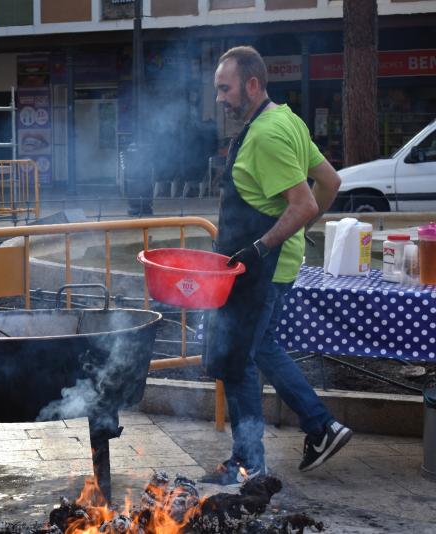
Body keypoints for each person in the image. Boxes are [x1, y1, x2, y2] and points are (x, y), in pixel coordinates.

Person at [201, 46, 348, 486]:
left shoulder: (266, 134)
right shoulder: (287, 118)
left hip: (258, 272)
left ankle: (250, 464)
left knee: (239, 359)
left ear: (251, 84)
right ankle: (320, 427)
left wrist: (263, 247)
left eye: (224, 89)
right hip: (267, 269)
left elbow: (303, 202)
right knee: (260, 348)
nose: (219, 99)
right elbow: (330, 182)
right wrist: (299, 228)